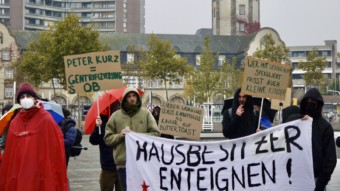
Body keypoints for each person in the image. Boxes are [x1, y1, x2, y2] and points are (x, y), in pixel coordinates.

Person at [0, 82, 68, 191]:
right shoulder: (15, 122)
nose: (25, 98)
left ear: (35, 99)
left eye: (28, 96)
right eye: (22, 97)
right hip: (19, 172)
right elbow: (10, 153)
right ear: (19, 102)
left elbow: (55, 146)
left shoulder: (46, 119)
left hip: (38, 171)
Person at [104, 87, 160, 191]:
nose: (132, 98)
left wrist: (137, 136)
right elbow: (107, 139)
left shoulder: (146, 114)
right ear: (125, 99)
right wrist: (120, 135)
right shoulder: (116, 116)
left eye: (134, 96)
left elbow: (156, 134)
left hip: (143, 162)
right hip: (123, 163)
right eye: (129, 96)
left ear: (138, 98)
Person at [300, 88, 337, 191]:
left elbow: (330, 160)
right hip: (295, 180)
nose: (309, 104)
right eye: (307, 101)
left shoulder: (325, 127)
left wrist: (320, 185)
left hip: (316, 180)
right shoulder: (295, 123)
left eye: (313, 102)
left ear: (319, 105)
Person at [90, 101, 122, 191]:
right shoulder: (102, 122)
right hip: (108, 166)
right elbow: (93, 140)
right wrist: (97, 127)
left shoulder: (123, 120)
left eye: (118, 105)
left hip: (122, 165)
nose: (117, 108)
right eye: (114, 106)